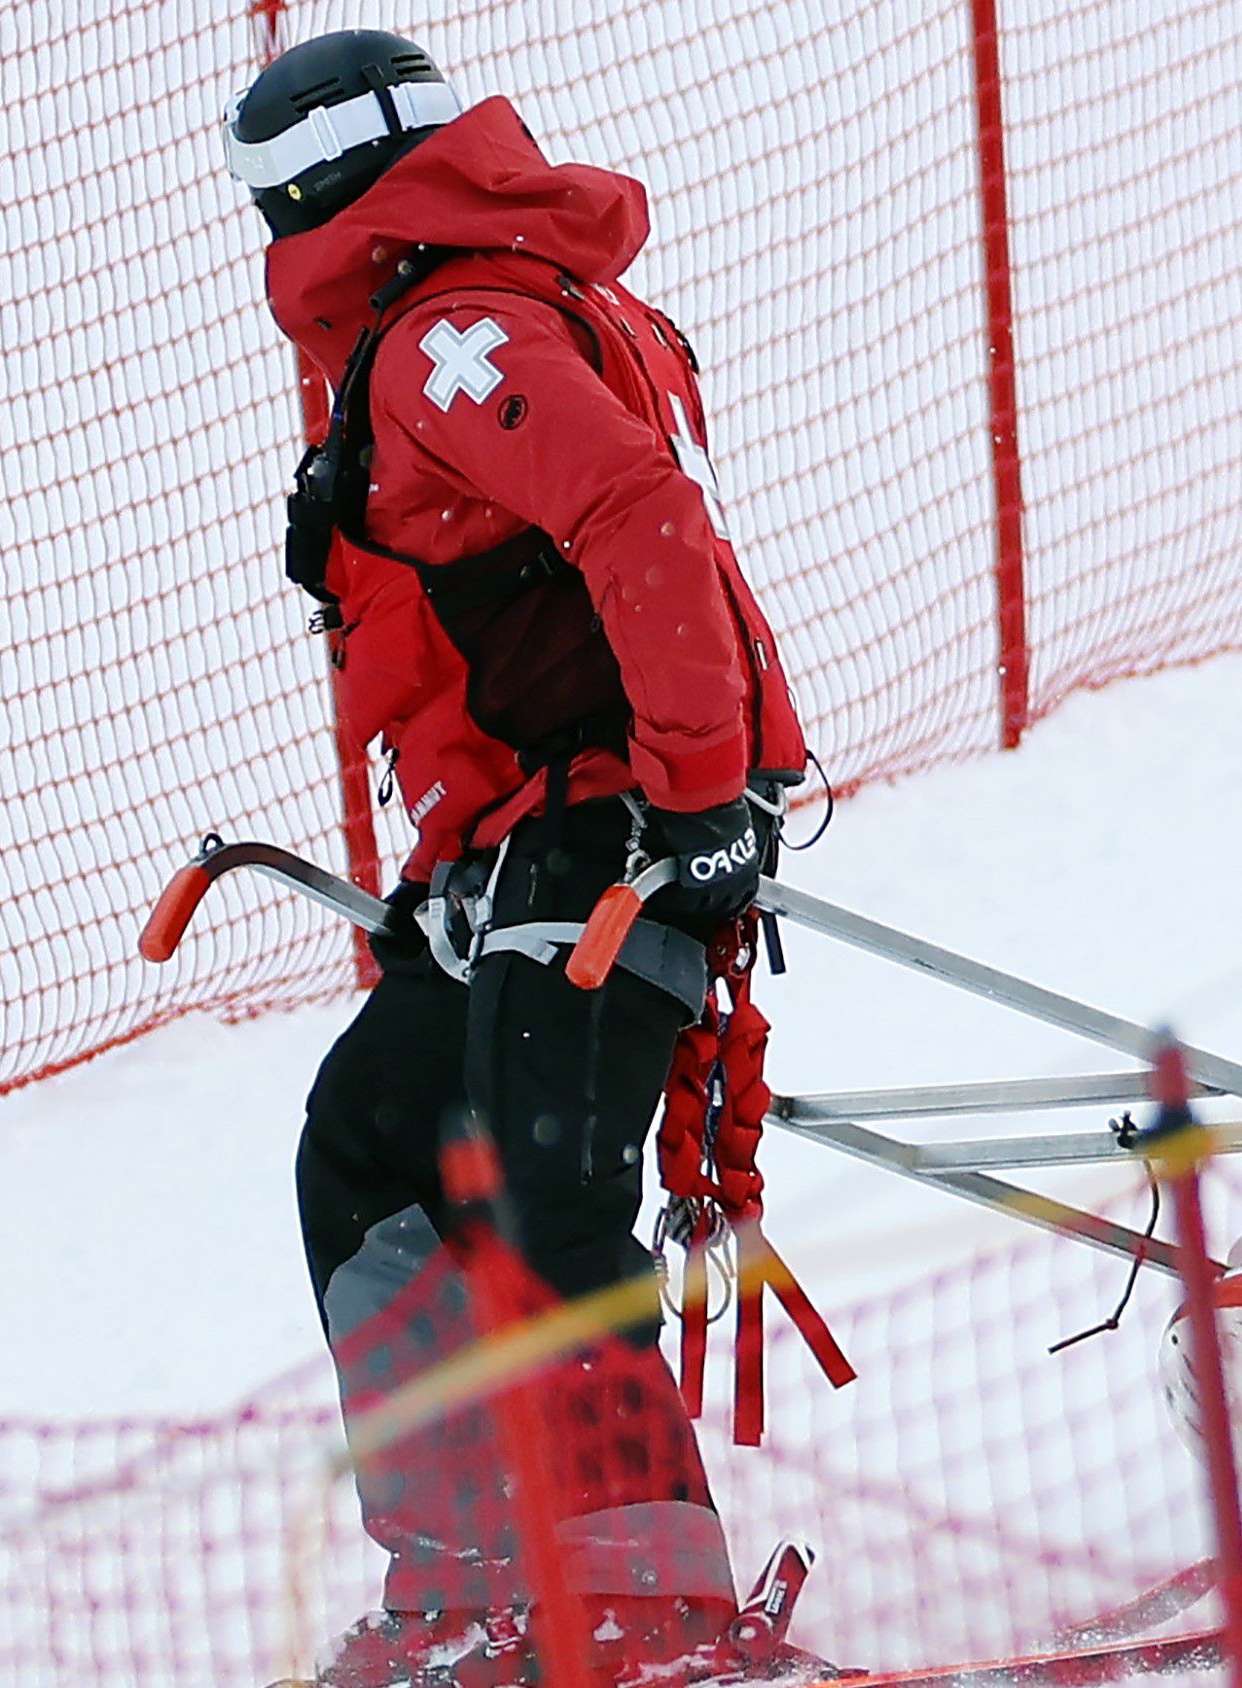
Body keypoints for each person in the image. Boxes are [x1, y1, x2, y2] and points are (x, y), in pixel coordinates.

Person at [221, 29, 807, 1686]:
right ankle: (475, 1570)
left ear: (314, 189)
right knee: (372, 1139)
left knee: (545, 1182)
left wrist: (693, 798)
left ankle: (643, 1603)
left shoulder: (451, 334)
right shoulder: (512, 303)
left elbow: (637, 514)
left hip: (611, 817)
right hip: (533, 830)